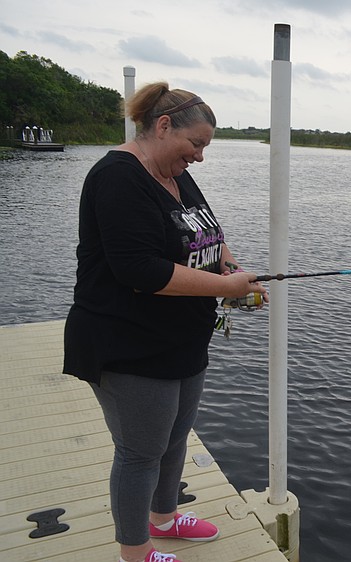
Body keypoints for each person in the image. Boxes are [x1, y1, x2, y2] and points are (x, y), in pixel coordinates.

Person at [63, 82, 268, 562]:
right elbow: (139, 270)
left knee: (174, 439)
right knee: (139, 453)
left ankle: (166, 519)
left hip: (181, 338)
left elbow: (208, 234)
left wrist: (230, 270)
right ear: (161, 126)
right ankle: (135, 552)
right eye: (195, 144)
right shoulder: (118, 176)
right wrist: (227, 289)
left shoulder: (173, 172)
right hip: (128, 342)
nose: (199, 156)